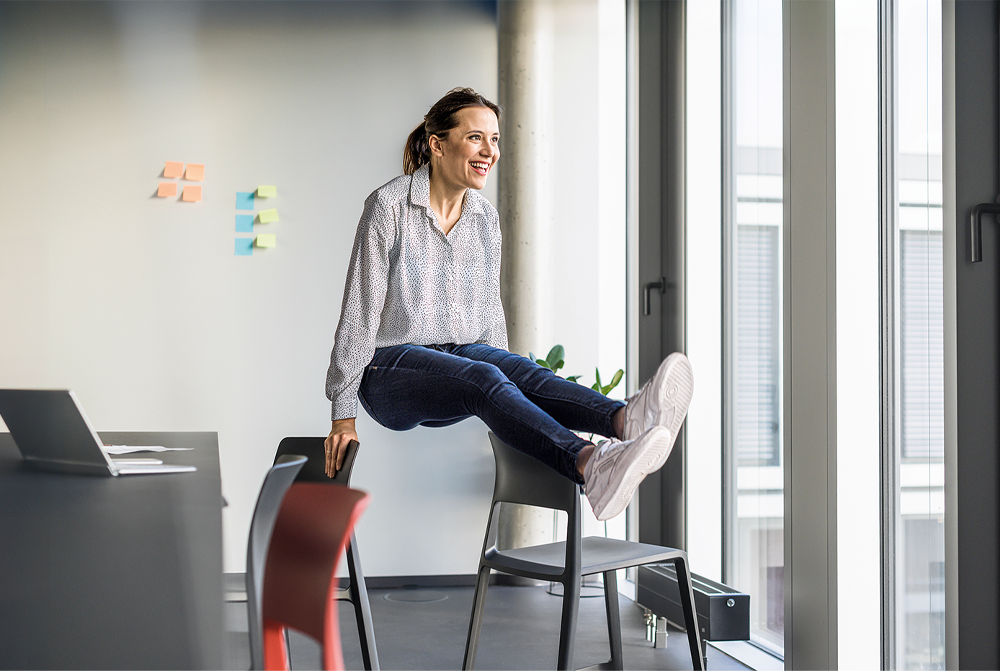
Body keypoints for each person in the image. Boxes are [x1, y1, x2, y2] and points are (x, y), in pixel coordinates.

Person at [324, 87, 694, 521]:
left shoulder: (484, 218)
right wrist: (342, 416)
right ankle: (590, 464)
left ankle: (622, 420)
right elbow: (359, 313)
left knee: (513, 368)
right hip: (387, 371)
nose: (489, 151)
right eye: (476, 137)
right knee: (482, 374)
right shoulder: (388, 207)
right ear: (437, 144)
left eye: (495, 139)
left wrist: (510, 390)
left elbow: (489, 314)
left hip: (455, 361)